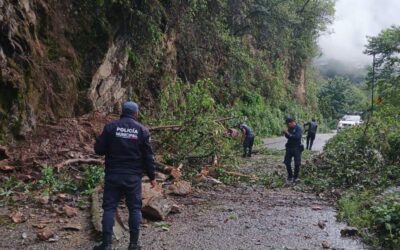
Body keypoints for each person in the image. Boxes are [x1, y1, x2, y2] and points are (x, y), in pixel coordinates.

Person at [93, 101, 156, 250]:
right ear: (136, 113)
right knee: (134, 208)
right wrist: (152, 176)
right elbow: (149, 157)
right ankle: (133, 244)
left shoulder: (110, 127)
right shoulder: (142, 131)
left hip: (113, 175)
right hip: (133, 177)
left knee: (109, 208)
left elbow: (99, 150)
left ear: (122, 111)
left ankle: (106, 244)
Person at [282, 117, 303, 183]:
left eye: (288, 124)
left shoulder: (298, 128)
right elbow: (288, 137)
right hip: (289, 147)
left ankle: (296, 177)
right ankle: (290, 176)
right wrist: (285, 133)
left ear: (291, 123)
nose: (287, 126)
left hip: (297, 147)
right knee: (287, 162)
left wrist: (288, 133)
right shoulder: (289, 128)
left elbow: (296, 137)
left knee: (297, 163)